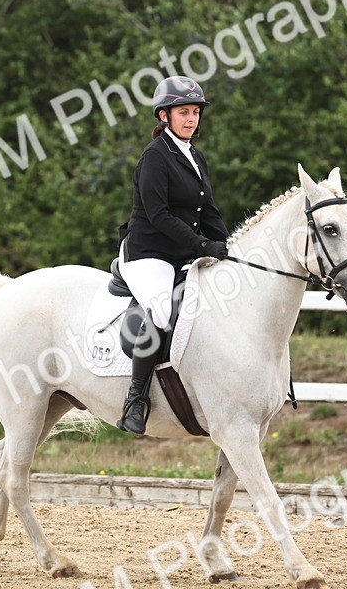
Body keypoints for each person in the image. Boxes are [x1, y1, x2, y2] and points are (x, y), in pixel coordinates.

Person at [115, 76, 229, 435]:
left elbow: (207, 209)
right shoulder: (154, 157)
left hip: (182, 250)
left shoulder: (195, 156)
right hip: (149, 253)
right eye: (184, 112)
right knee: (162, 310)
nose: (191, 119)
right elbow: (158, 214)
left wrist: (229, 246)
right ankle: (135, 400)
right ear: (164, 116)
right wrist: (200, 245)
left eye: (195, 112)